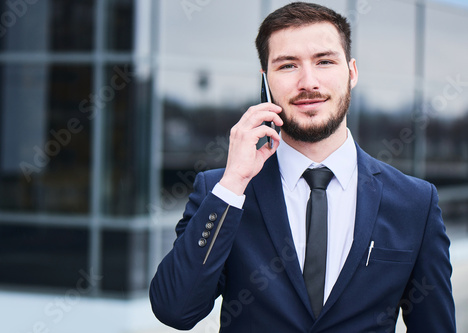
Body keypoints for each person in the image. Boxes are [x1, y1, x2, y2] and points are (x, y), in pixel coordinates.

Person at [149, 2, 456, 332]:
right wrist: (233, 182)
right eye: (288, 66)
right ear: (265, 82)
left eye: (324, 61)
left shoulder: (415, 203)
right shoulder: (222, 192)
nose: (308, 82)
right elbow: (174, 309)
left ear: (351, 72)